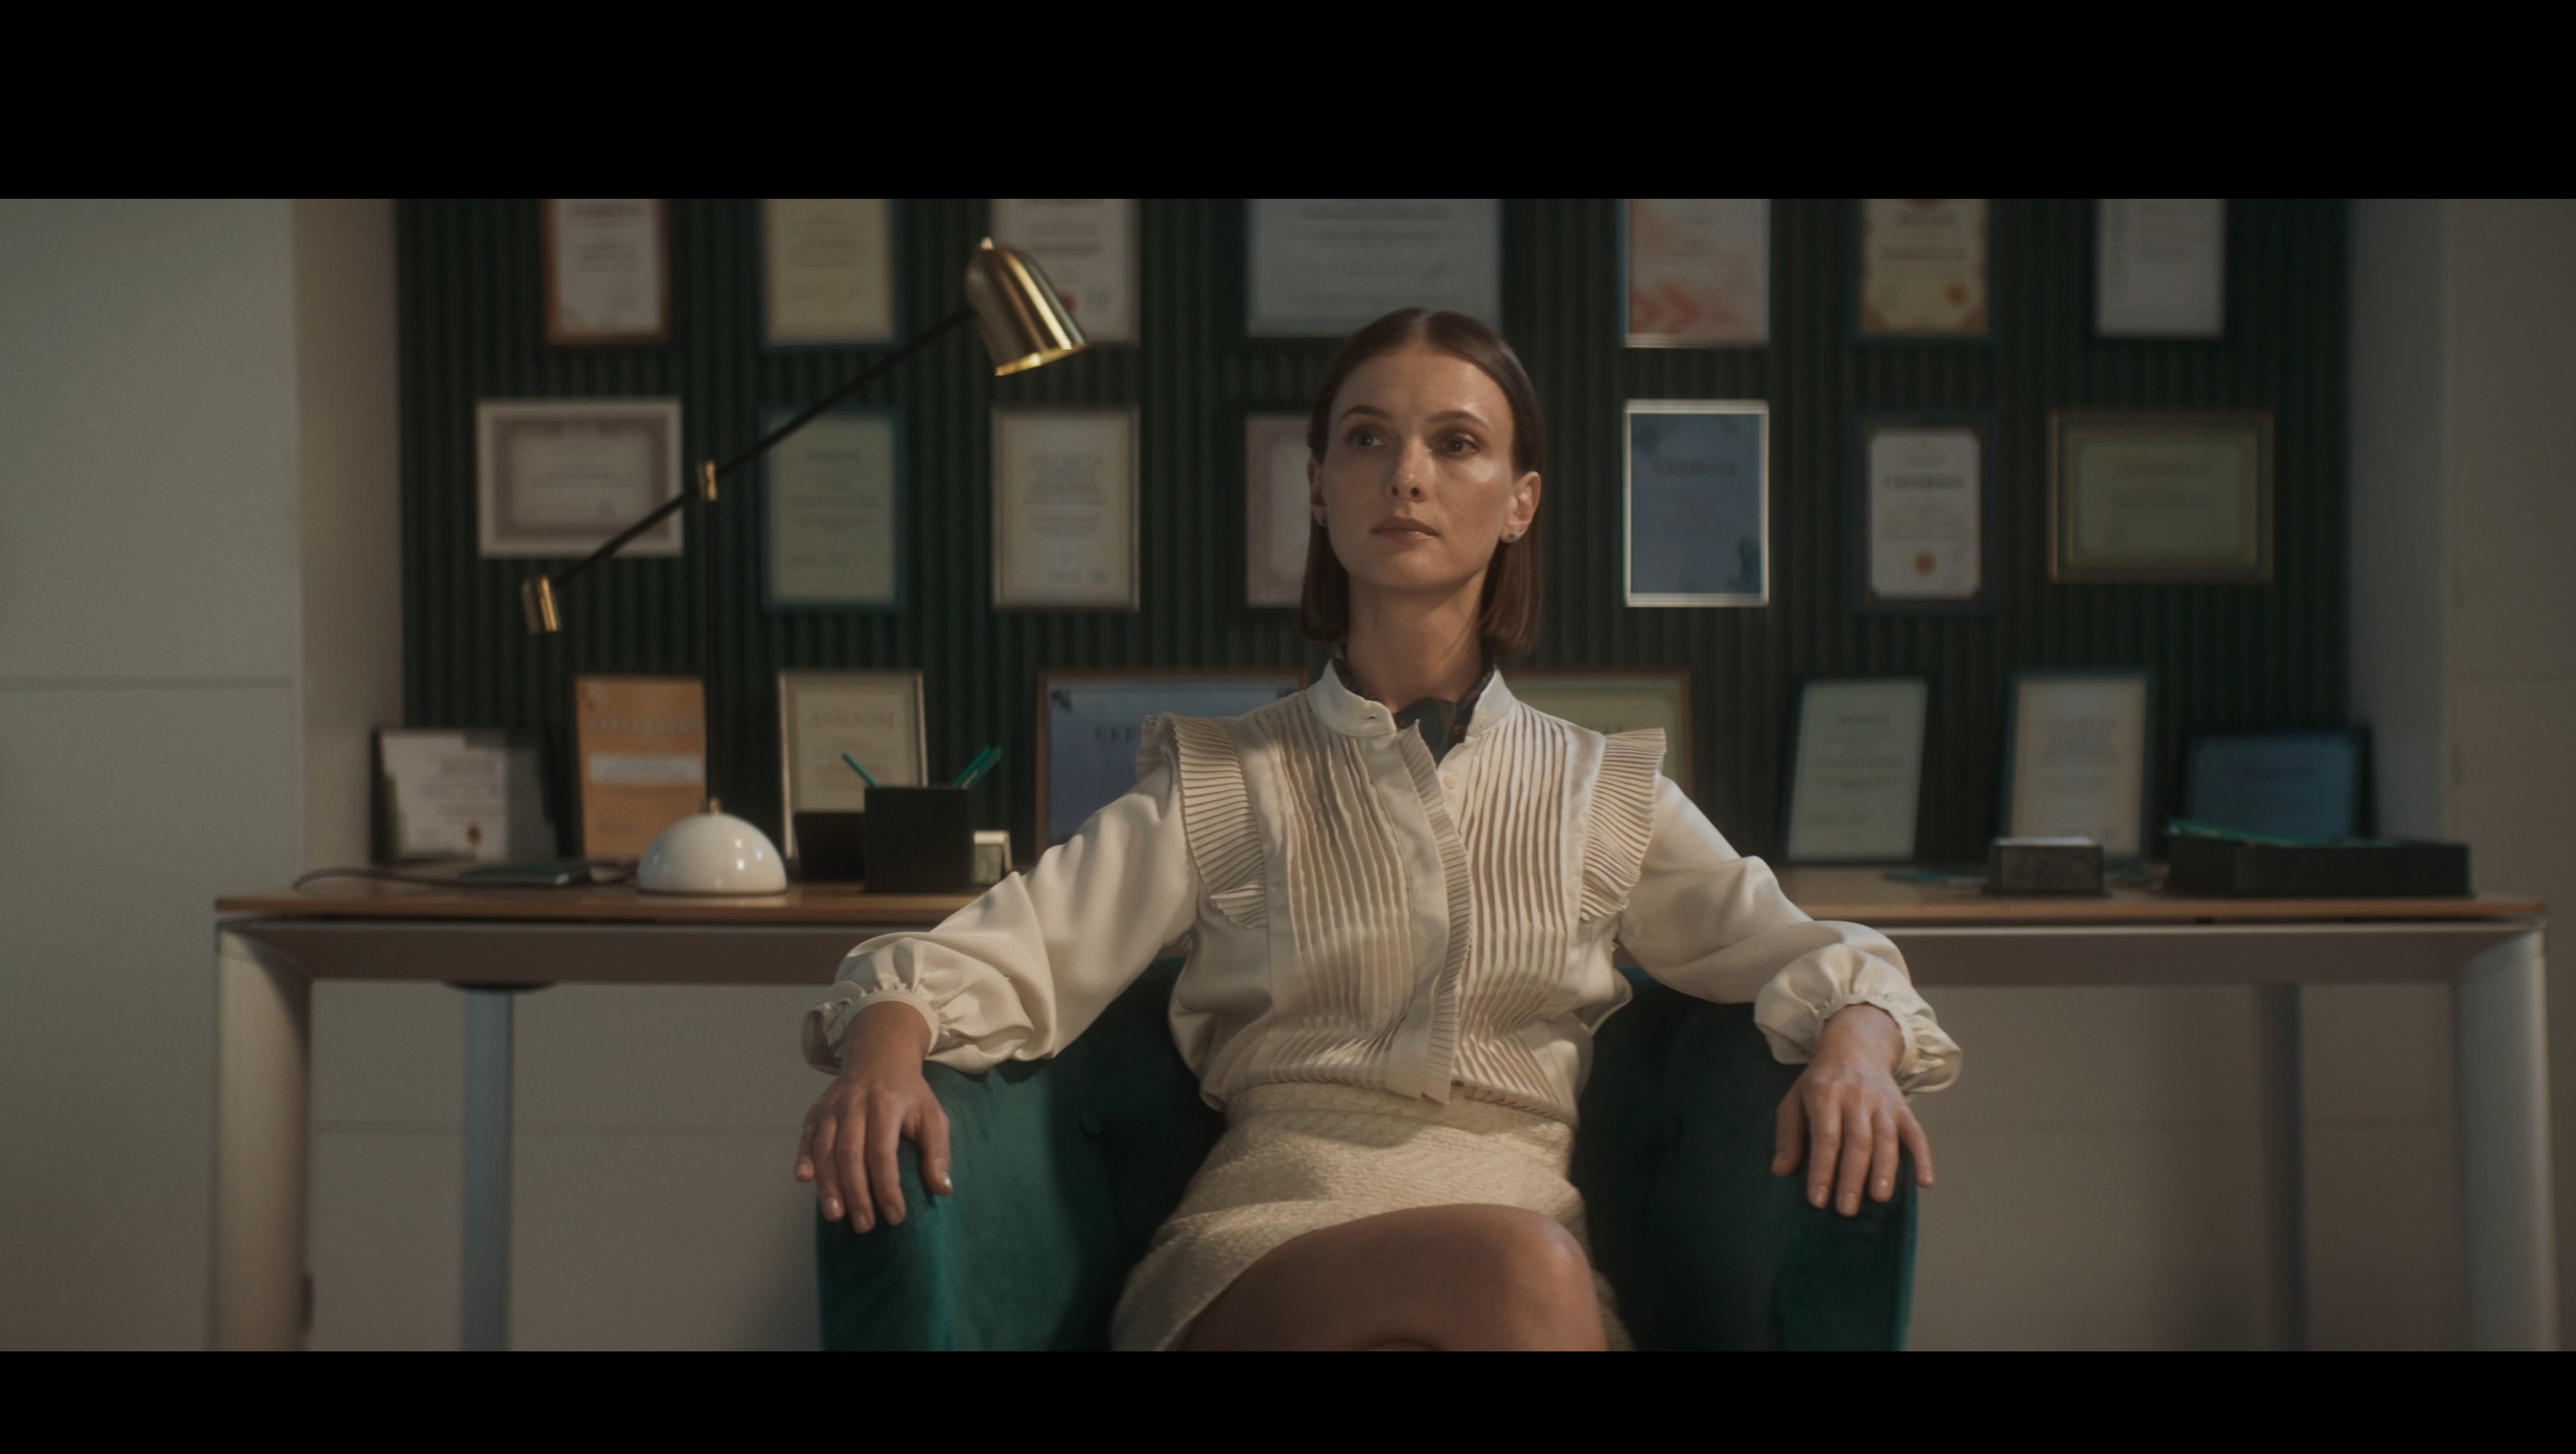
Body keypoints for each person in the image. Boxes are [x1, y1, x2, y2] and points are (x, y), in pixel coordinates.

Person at [795, 308, 1960, 1350]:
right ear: (1318, 487)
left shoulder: (1604, 790)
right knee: (1520, 1270)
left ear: (1520, 501)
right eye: (1367, 439)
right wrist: (884, 1056)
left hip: (1531, 1262)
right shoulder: (1224, 778)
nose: (1406, 474)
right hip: (1262, 1257)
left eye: (1455, 443)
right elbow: (999, 952)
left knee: (1519, 1272)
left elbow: (1819, 957)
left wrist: (1856, 1049)